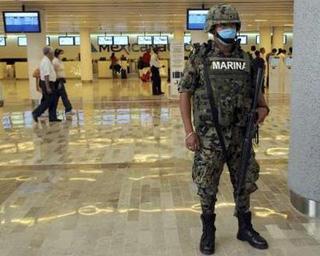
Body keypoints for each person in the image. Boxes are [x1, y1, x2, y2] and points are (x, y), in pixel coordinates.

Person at [178, 3, 270, 255]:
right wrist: (189, 131)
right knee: (206, 186)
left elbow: (261, 103)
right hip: (209, 138)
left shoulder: (247, 61)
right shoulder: (199, 59)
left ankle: (245, 227)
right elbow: (184, 95)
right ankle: (209, 231)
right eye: (222, 25)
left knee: (244, 183)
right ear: (212, 28)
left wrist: (260, 115)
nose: (227, 28)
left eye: (231, 24)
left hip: (240, 137)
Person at [32, 47, 61, 122]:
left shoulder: (48, 60)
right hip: (47, 83)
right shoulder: (45, 61)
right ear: (48, 53)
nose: (53, 53)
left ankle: (52, 117)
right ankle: (36, 113)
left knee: (53, 100)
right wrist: (48, 87)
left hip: (50, 83)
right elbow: (46, 75)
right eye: (51, 52)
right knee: (49, 100)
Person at [52, 49, 73, 117]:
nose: (62, 55)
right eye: (61, 53)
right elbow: (53, 72)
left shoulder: (59, 61)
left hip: (61, 80)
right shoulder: (55, 61)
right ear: (57, 53)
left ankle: (53, 110)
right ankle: (68, 109)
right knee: (63, 95)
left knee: (57, 97)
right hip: (58, 81)